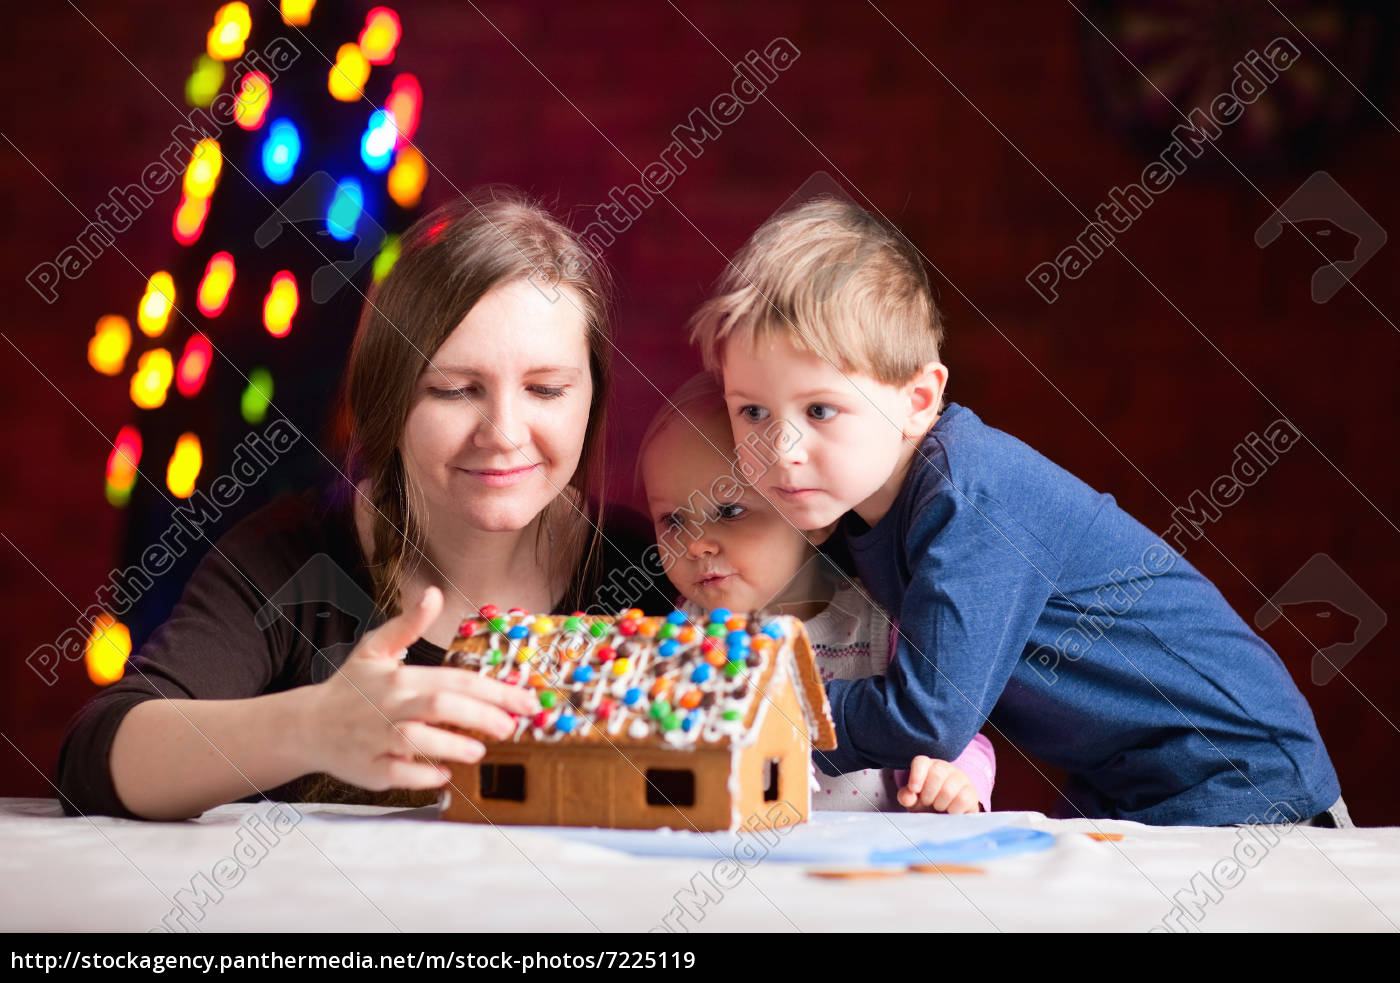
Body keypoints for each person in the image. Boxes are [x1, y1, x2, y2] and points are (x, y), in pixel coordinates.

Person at [686, 195, 1348, 828]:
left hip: (1238, 774)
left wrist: (754, 704)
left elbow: (929, 717)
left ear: (919, 399)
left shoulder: (968, 492)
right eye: (753, 411)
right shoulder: (855, 502)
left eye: (820, 409)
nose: (783, 448)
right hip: (1122, 781)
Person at [56, 188, 671, 821]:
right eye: (455, 390)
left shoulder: (651, 565)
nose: (504, 433)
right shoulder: (292, 557)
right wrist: (309, 727)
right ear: (389, 397)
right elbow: (95, 759)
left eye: (545, 389)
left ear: (590, 396)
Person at [638, 372, 994, 814]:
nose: (694, 544)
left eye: (729, 511)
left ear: (815, 514)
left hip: (864, 870)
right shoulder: (679, 638)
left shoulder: (882, 619)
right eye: (672, 520)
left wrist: (952, 779)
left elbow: (954, 730)